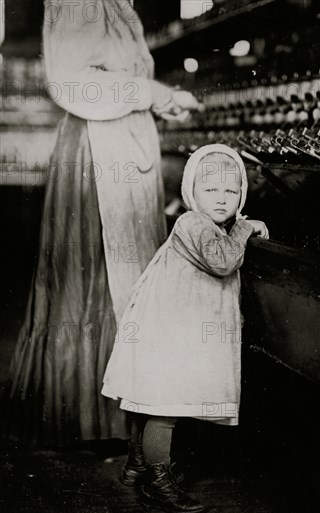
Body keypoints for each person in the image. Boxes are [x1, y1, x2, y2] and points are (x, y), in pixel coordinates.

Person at [1, 0, 199, 446]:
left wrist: (161, 99)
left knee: (122, 280)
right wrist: (155, 93)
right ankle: (93, 421)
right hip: (101, 153)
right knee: (102, 279)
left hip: (119, 145)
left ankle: (120, 422)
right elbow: (74, 82)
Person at [101, 144, 269, 513]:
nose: (222, 199)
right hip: (171, 331)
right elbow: (222, 261)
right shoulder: (193, 222)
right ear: (193, 193)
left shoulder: (208, 224)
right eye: (211, 191)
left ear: (242, 192)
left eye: (231, 190)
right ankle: (158, 482)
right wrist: (243, 228)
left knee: (153, 398)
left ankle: (137, 465)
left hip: (171, 326)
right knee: (166, 405)